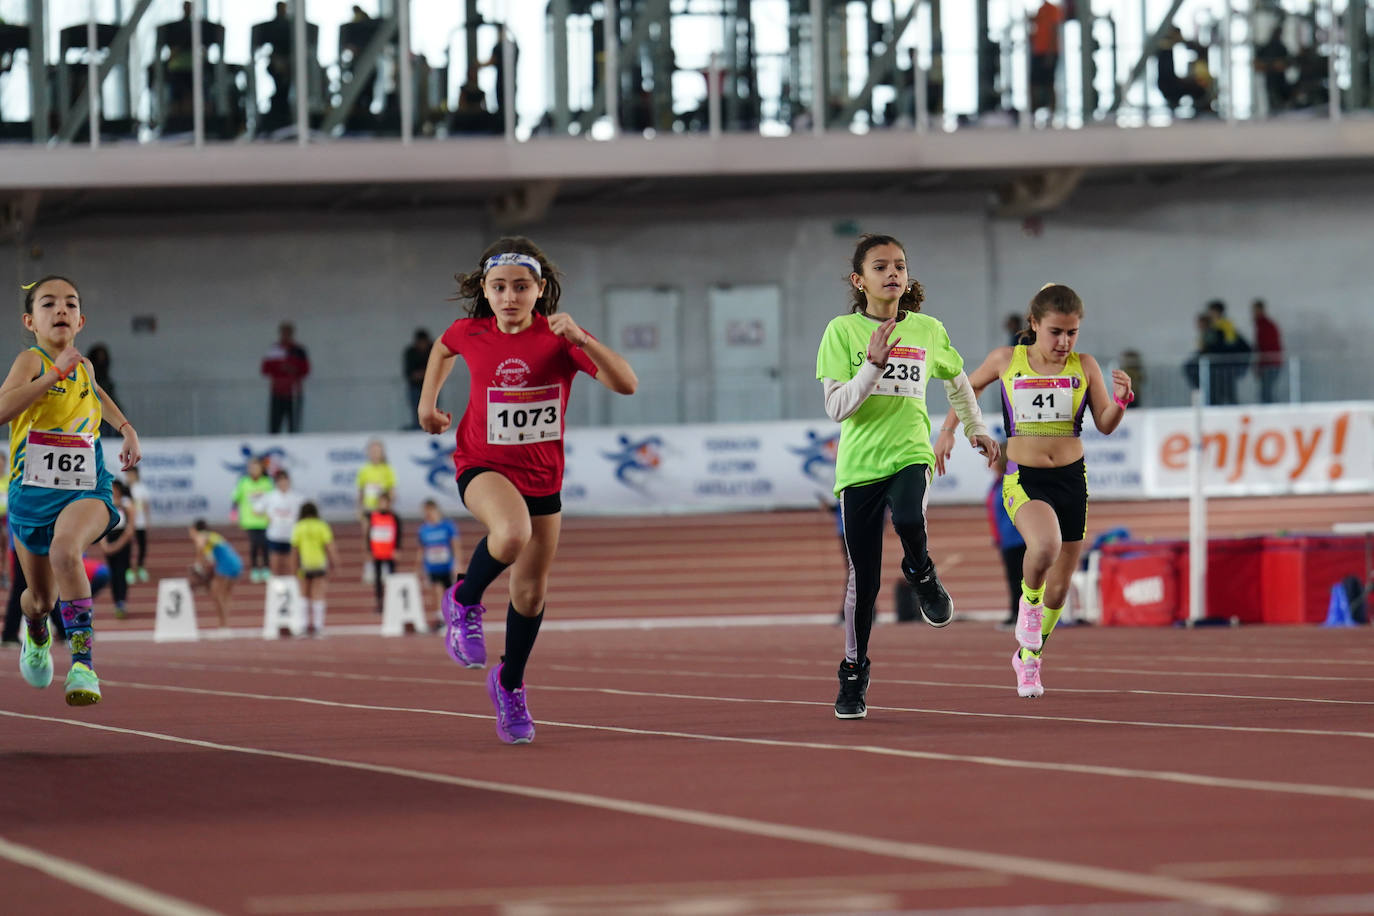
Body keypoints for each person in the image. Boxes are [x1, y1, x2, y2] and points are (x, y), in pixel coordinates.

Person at [419, 237, 638, 744]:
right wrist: (427, 405)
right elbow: (443, 348)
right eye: (499, 287)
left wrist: (583, 338)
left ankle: (509, 684)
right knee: (511, 534)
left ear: (540, 290)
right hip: (482, 466)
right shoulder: (470, 332)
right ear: (485, 291)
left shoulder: (560, 338)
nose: (510, 296)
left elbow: (626, 383)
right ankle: (464, 598)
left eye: (521, 286)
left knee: (531, 592)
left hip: (543, 479)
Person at [815, 234, 997, 720]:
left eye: (900, 265)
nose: (893, 273)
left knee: (912, 519)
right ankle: (854, 672)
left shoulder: (927, 330)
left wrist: (975, 428)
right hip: (858, 469)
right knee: (865, 583)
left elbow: (958, 382)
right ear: (860, 280)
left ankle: (921, 572)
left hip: (910, 452)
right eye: (880, 267)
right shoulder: (841, 332)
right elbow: (837, 408)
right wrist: (872, 365)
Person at [935, 283, 1133, 699]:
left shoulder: (1086, 366)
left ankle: (1028, 659)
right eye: (1056, 332)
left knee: (1060, 589)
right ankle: (1027, 607)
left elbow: (1105, 421)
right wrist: (949, 432)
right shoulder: (1008, 359)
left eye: (1072, 332)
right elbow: (963, 389)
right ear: (1034, 325)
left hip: (1071, 478)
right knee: (1044, 547)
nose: (1064, 342)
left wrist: (1121, 402)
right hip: (1023, 475)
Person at [0, 275, 141, 706]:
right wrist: (52, 375)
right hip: (31, 492)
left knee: (66, 550)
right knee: (39, 599)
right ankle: (36, 632)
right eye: (48, 304)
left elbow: (94, 392)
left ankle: (82, 665)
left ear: (81, 320)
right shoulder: (31, 361)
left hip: (86, 487)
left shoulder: (85, 365)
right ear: (30, 320)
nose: (61, 309)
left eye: (70, 303)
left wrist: (125, 427)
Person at [986, 445, 1026, 629]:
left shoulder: (1011, 482)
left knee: (1019, 580)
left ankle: (1019, 616)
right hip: (1006, 540)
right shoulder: (997, 483)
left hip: (1017, 540)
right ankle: (1016, 614)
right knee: (1014, 579)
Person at [291, 501, 338, 637]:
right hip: (319, 564)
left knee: (303, 595)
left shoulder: (299, 527)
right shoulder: (322, 526)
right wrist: (335, 563)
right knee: (318, 595)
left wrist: (293, 567)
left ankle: (303, 626)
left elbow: (294, 550)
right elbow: (330, 546)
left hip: (304, 564)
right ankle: (318, 627)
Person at [415, 498, 461, 630]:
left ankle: (451, 617)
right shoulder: (423, 529)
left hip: (446, 566)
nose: (427, 515)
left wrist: (457, 564)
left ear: (436, 510)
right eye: (425, 512)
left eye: (429, 511)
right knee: (436, 591)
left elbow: (455, 545)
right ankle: (440, 618)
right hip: (432, 567)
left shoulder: (447, 526)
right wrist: (418, 568)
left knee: (449, 593)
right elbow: (421, 549)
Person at [189, 519, 242, 629]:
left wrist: (197, 564)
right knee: (225, 595)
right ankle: (225, 623)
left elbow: (200, 546)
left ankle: (223, 623)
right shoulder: (214, 535)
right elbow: (213, 559)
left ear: (195, 530)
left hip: (226, 564)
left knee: (216, 594)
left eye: (191, 530)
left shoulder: (202, 535)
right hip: (236, 562)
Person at [261, 321, 310, 433]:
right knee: (274, 426)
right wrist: (280, 368)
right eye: (284, 332)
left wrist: (293, 370)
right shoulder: (274, 349)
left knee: (294, 426)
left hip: (294, 393)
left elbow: (306, 370)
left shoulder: (299, 351)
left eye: (288, 333)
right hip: (277, 392)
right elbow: (265, 369)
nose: (286, 335)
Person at [231, 456, 273, 582]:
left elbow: (273, 499)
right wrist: (233, 512)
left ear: (261, 469)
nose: (254, 470)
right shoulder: (243, 482)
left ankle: (266, 568)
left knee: (265, 544)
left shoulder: (267, 482)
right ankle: (255, 569)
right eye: (252, 468)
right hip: (250, 520)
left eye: (257, 467)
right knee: (255, 544)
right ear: (248, 469)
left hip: (265, 519)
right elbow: (236, 497)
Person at [258, 468, 304, 577]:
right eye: (280, 480)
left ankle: (293, 589)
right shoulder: (269, 496)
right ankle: (275, 589)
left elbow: (305, 513)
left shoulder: (298, 497)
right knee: (275, 565)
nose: (283, 483)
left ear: (289, 481)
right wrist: (266, 517)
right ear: (276, 482)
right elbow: (257, 510)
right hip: (275, 535)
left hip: (292, 536)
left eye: (285, 480)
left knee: (292, 566)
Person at [102, 479, 135, 619]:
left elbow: (130, 528)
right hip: (109, 538)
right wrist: (104, 545)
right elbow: (101, 525)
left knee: (121, 572)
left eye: (115, 488)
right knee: (113, 574)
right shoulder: (106, 503)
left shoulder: (127, 504)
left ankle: (121, 601)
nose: (113, 491)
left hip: (122, 541)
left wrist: (117, 545)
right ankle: (116, 600)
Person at [365, 492, 401, 613]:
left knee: (392, 577)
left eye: (385, 502)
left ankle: (394, 602)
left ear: (389, 503)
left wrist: (397, 548)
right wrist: (369, 550)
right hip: (377, 552)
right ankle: (379, 603)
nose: (383, 504)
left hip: (390, 552)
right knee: (378, 579)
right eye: (381, 502)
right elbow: (369, 534)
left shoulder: (394, 517)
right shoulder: (373, 516)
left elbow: (398, 534)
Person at [1028, 1, 1064, 119]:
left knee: (1049, 83)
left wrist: (1050, 54)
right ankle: (1033, 113)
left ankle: (1052, 113)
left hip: (1049, 52)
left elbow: (1054, 31)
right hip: (1038, 51)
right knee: (1034, 83)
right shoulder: (1040, 10)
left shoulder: (1053, 9)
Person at [1252, 298, 1284, 404]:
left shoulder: (1265, 325)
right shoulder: (1262, 325)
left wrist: (1259, 364)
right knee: (1266, 390)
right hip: (1270, 363)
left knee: (1266, 390)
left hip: (1270, 363)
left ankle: (1270, 411)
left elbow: (1264, 347)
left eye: (1255, 310)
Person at [124, 466, 151, 582]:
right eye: (128, 475)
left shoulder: (142, 488)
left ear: (136, 475)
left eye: (132, 474)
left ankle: (140, 567)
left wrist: (147, 519)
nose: (130, 477)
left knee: (142, 546)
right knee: (127, 547)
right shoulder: (124, 489)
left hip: (140, 522)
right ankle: (129, 569)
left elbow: (145, 505)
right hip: (128, 523)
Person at [402, 329, 433, 429]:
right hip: (415, 387)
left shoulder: (433, 350)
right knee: (417, 411)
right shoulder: (410, 352)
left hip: (431, 388)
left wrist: (423, 374)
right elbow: (409, 373)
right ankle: (418, 429)